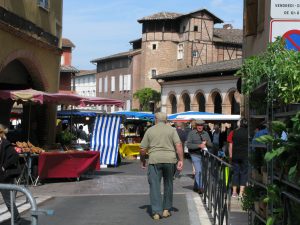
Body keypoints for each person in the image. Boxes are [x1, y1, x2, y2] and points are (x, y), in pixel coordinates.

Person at [139, 112, 184, 220]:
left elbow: (142, 149)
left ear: (156, 119)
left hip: (154, 160)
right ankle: (166, 210)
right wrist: (181, 160)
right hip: (170, 160)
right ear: (166, 120)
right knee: (168, 184)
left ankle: (156, 212)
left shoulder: (150, 130)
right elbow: (178, 145)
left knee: (155, 186)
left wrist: (143, 161)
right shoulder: (172, 130)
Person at [0, 124, 22, 225]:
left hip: (5, 177)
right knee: (8, 201)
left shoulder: (5, 144)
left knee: (8, 201)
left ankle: (17, 220)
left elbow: (14, 156)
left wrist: (4, 166)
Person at [186, 120, 212, 194]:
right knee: (198, 171)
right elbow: (188, 145)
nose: (200, 127)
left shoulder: (206, 133)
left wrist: (207, 142)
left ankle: (196, 186)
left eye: (201, 125)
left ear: (203, 126)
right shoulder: (191, 133)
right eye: (198, 125)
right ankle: (201, 187)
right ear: (196, 126)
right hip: (194, 154)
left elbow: (211, 145)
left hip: (204, 155)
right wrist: (199, 145)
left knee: (202, 171)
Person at [227, 118, 248, 198]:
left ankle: (234, 192)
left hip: (235, 155)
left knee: (235, 173)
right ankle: (241, 193)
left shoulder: (233, 132)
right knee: (244, 173)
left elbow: (230, 145)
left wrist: (230, 155)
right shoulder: (248, 132)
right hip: (245, 155)